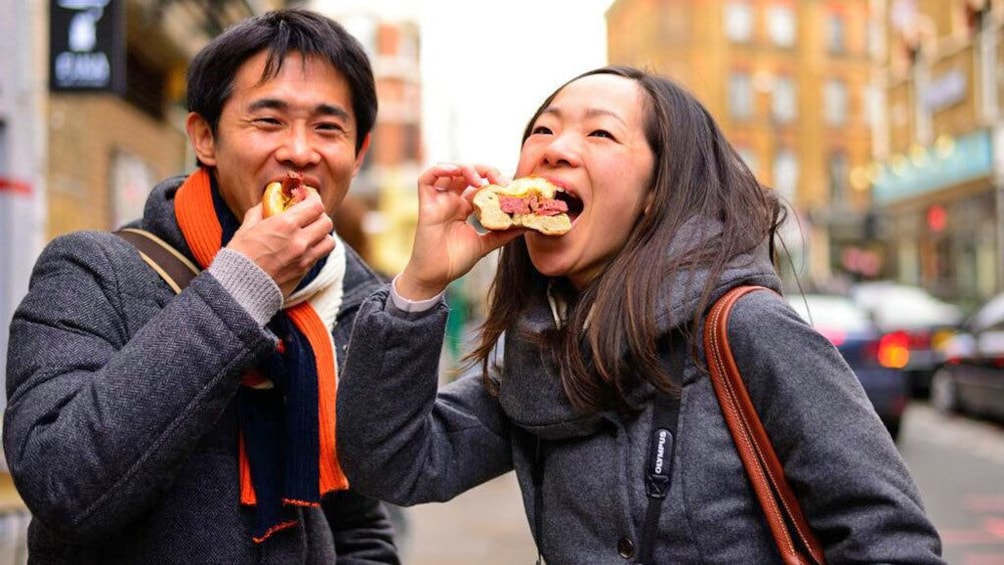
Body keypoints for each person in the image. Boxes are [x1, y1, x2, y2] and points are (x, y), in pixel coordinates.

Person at [335, 66, 945, 563]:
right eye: (542, 131)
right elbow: (392, 465)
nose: (555, 150)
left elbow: (890, 542)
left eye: (599, 134)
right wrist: (418, 286)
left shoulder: (744, 328)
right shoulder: (542, 352)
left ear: (659, 191)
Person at [4, 9, 400, 563]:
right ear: (205, 138)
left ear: (357, 155)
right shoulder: (89, 271)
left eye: (328, 127)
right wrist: (241, 288)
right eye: (268, 121)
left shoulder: (343, 300)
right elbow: (60, 484)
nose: (301, 151)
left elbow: (358, 523)